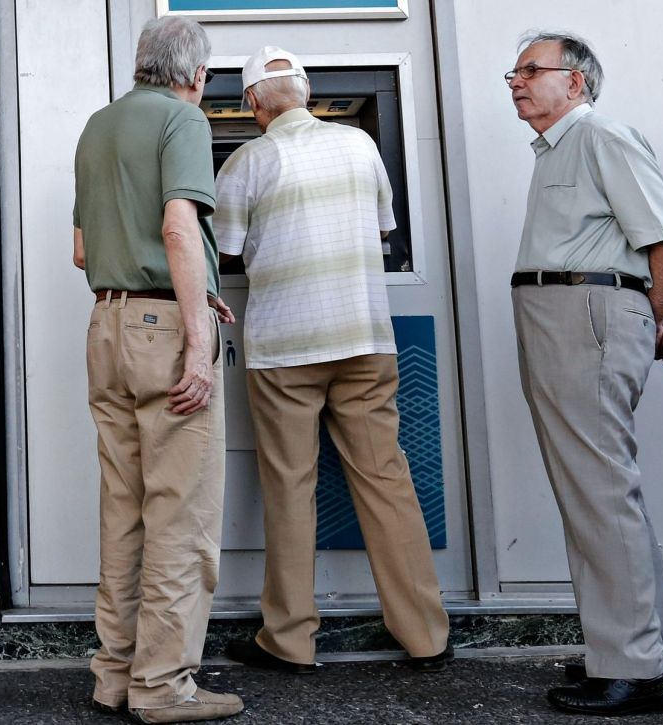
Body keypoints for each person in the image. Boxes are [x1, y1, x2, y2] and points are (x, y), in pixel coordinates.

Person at [213, 46, 452, 676]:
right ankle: (425, 634)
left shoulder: (246, 159)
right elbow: (381, 228)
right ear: (307, 89)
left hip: (286, 348)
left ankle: (288, 639)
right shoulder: (359, 145)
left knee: (290, 486)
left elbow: (227, 252)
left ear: (250, 103)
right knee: (386, 479)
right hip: (365, 338)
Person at [505, 31, 663, 716]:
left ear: (577, 82)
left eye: (532, 70)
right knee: (604, 492)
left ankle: (634, 667)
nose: (516, 80)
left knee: (600, 493)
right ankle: (659, 650)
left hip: (583, 316)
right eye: (514, 71)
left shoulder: (601, 136)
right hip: (569, 314)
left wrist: (645, 322)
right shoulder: (562, 148)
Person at [71, 15, 241, 724]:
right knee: (181, 512)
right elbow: (179, 226)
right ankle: (165, 685)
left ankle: (114, 674)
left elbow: (82, 250)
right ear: (195, 76)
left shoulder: (98, 125)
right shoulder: (184, 122)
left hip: (106, 325)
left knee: (125, 509)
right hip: (160, 323)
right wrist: (196, 337)